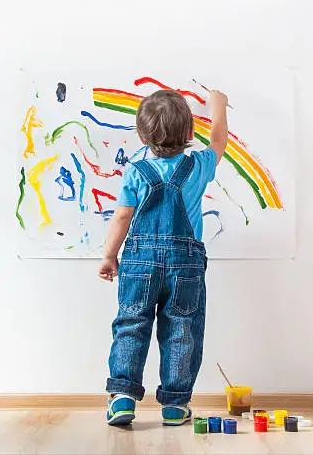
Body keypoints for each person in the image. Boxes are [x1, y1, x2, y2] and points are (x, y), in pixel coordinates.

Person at [99, 88, 228, 426]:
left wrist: (109, 255)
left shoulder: (135, 172)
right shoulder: (199, 166)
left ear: (141, 135)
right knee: (182, 329)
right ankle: (174, 404)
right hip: (185, 263)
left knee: (131, 324)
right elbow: (218, 142)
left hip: (139, 264)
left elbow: (122, 218)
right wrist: (218, 108)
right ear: (190, 134)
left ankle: (123, 397)